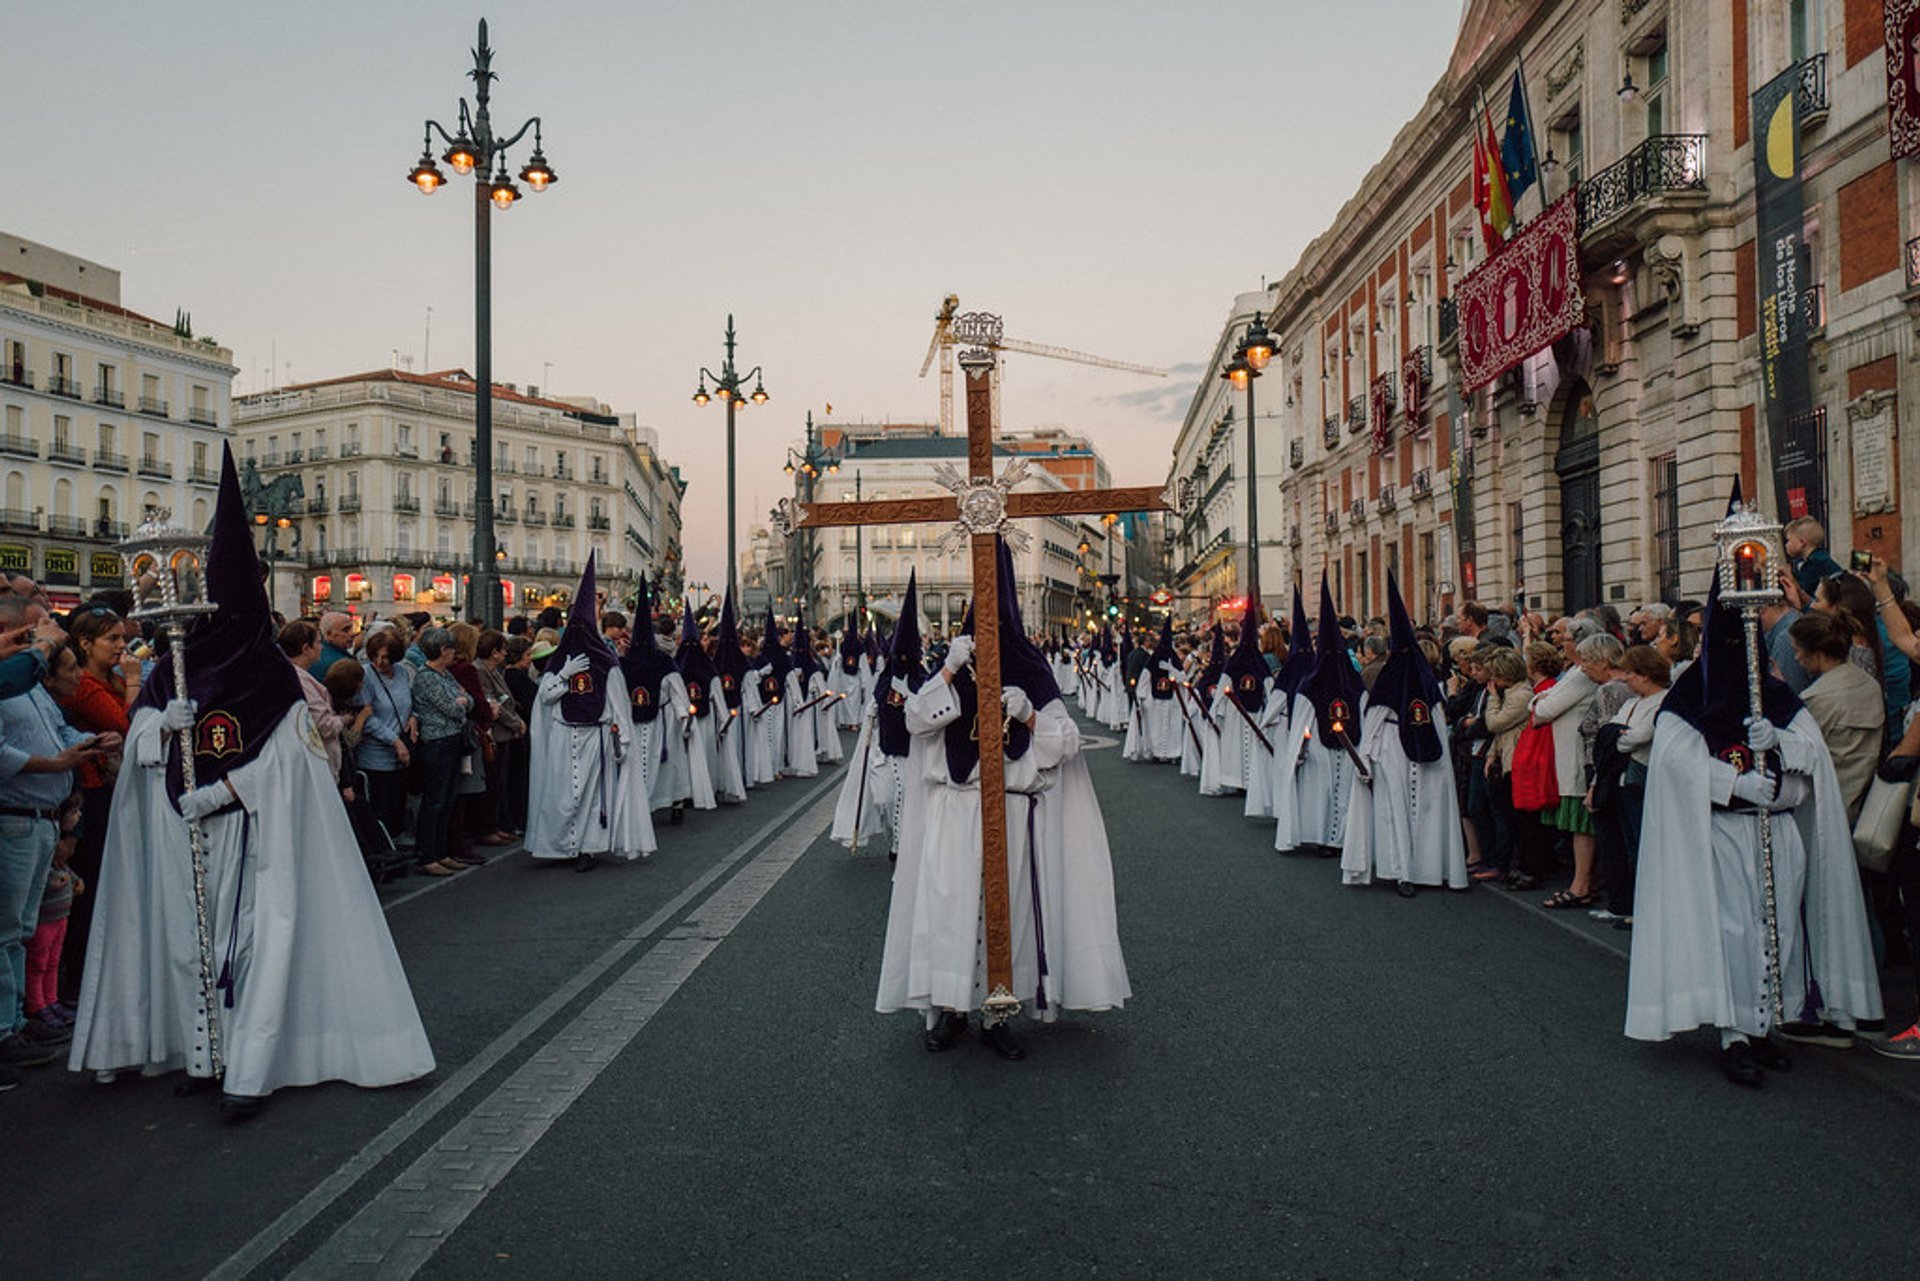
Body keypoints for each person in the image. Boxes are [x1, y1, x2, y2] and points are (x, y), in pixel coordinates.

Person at [69, 449, 433, 1114]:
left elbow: (292, 760)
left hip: (252, 835)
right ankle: (203, 1051)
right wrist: (161, 730)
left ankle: (250, 1059)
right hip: (182, 833)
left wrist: (227, 791)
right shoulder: (166, 671)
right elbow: (139, 736)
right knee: (188, 945)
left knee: (253, 946)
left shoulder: (267, 676)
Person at [877, 539, 1129, 1060]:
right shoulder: (952, 661)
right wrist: (948, 670)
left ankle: (998, 1012)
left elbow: (1067, 745)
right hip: (955, 805)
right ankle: (950, 1009)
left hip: (1012, 809)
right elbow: (914, 719)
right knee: (950, 907)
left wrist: (1030, 715)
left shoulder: (1031, 669)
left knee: (1003, 914)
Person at [1626, 583, 1881, 1086]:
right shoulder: (1688, 697)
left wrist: (1781, 745)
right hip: (1724, 833)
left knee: (1779, 927)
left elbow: (1813, 763)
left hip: (1778, 829)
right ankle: (1733, 1033)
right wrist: (1734, 782)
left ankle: (1767, 1023)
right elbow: (1675, 763)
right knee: (1734, 932)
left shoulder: (1780, 696)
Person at [1, 641, 117, 1076]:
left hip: (43, 818)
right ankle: (6, 1028)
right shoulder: (7, 685)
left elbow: (59, 731)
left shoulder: (29, 689)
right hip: (15, 816)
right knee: (9, 929)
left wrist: (87, 742)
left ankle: (18, 1020)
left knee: (23, 929)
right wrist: (54, 765)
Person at [1341, 572, 1467, 896]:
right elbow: (1377, 718)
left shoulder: (1410, 681)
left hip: (1409, 752)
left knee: (1414, 811)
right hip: (1395, 751)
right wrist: (1366, 760)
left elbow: (1384, 719)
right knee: (1401, 812)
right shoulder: (1405, 680)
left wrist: (1367, 755)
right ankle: (1404, 871)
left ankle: (1420, 869)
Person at [526, 556, 655, 871]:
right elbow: (545, 698)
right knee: (561, 795)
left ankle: (587, 848)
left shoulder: (606, 664)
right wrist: (564, 675)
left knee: (591, 797)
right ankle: (560, 846)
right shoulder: (559, 663)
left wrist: (623, 739)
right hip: (562, 736)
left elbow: (617, 703)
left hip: (593, 739)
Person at [52, 606, 139, 1004]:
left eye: (123, 637)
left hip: (112, 785)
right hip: (92, 789)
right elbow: (126, 725)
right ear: (87, 644)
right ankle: (79, 974)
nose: (122, 646)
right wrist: (136, 683)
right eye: (113, 639)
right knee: (91, 880)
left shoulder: (111, 679)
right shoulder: (87, 685)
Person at [834, 572, 926, 857]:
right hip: (885, 753)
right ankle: (895, 838)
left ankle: (902, 847)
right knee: (887, 798)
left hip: (916, 753)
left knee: (911, 799)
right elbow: (873, 713)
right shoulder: (885, 680)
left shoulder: (924, 680)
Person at [1284, 580, 1366, 857]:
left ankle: (1324, 838)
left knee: (1323, 794)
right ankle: (1340, 839)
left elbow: (1302, 720)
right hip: (1346, 746)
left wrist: (1296, 752)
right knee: (1342, 793)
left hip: (1321, 747)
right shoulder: (1355, 680)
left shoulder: (1310, 682)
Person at [1530, 633, 1602, 909]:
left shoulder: (1581, 676)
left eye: (1569, 637)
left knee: (1581, 824)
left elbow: (1546, 707)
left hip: (1576, 753)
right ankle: (1584, 880)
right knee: (1576, 824)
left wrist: (1540, 705)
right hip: (1564, 752)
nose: (1562, 641)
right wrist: (1539, 704)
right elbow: (1539, 702)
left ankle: (1581, 884)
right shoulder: (1575, 672)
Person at [1790, 611, 1885, 819]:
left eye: (1797, 650)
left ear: (1817, 653)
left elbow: (1798, 758)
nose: (1796, 658)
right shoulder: (1870, 684)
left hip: (1827, 808)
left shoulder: (1818, 699)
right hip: (1864, 803)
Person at [357, 630, 416, 848]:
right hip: (376, 753)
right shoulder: (366, 676)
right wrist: (394, 740)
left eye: (386, 658)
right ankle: (384, 849)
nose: (380, 662)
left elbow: (410, 702)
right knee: (382, 804)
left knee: (397, 804)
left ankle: (396, 844)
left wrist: (413, 717)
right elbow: (367, 717)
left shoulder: (401, 672)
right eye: (376, 657)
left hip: (401, 753)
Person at [1123, 614, 1183, 765]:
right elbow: (1144, 680)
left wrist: (1171, 670)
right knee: (1155, 729)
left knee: (1171, 728)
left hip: (1171, 701)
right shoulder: (1152, 661)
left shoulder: (1173, 660)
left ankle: (1172, 752)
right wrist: (1143, 699)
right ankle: (1156, 752)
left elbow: (1183, 679)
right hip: (1155, 700)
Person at [1784, 516, 1843, 598]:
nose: (1786, 545)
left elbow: (1802, 594)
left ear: (1802, 542)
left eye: (1788, 540)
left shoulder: (1816, 563)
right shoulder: (1804, 561)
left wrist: (1788, 577)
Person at [315, 611, 356, 676]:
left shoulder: (318, 654)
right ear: (329, 634)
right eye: (345, 630)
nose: (352, 634)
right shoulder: (339, 663)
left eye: (352, 628)